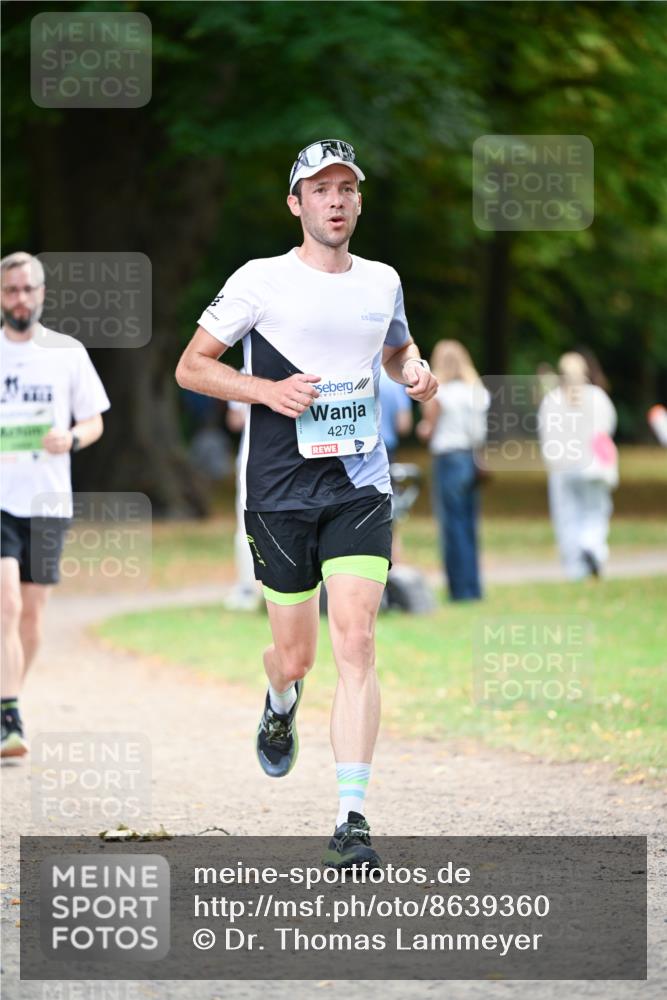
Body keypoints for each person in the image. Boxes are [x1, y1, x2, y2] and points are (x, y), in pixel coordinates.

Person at [175, 139, 437, 867]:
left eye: (346, 188)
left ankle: (351, 816)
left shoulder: (381, 280)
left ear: (358, 200)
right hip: (278, 492)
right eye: (319, 189)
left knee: (356, 641)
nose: (335, 200)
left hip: (358, 484)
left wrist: (412, 371)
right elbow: (192, 366)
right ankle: (279, 697)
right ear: (296, 204)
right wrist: (265, 391)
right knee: (298, 655)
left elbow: (395, 350)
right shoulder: (259, 280)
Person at [1, 252, 110, 758]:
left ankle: (8, 702)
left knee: (32, 619)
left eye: (27, 289)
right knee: (8, 604)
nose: (20, 298)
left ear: (41, 294)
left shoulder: (66, 353)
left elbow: (94, 421)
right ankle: (9, 712)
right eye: (10, 290)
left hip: (48, 499)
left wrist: (71, 438)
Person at [416, 340, 488, 601]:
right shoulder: (476, 391)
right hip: (471, 458)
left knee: (452, 526)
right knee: (469, 524)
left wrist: (422, 428)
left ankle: (459, 590)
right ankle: (474, 587)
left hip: (448, 459)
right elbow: (481, 432)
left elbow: (428, 429)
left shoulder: (440, 393)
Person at [538, 351, 618, 579]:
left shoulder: (552, 400)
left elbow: (546, 435)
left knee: (567, 516)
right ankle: (592, 545)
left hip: (563, 467)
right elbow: (607, 429)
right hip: (593, 466)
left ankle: (575, 568)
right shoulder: (597, 397)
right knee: (595, 511)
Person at [378, 367, 412, 463]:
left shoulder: (355, 375)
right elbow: (404, 426)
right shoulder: (394, 379)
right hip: (384, 447)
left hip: (353, 448)